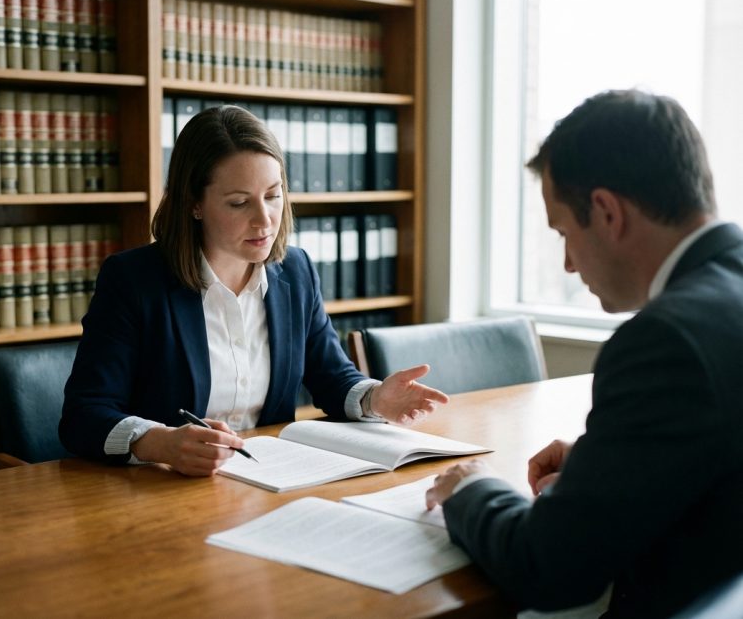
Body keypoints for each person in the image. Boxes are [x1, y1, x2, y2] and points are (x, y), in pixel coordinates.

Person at [425, 90, 743, 617]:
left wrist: (470, 489)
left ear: (607, 212)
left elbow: (549, 568)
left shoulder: (664, 341)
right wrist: (612, 463)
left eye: (564, 232)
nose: (569, 264)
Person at [59, 105, 448, 476]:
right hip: (161, 489)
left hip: (270, 480)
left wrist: (374, 398)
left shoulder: (295, 271)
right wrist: (159, 443)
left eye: (273, 195)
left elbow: (332, 377)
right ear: (194, 204)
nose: (265, 220)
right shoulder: (133, 280)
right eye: (240, 202)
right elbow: (84, 414)